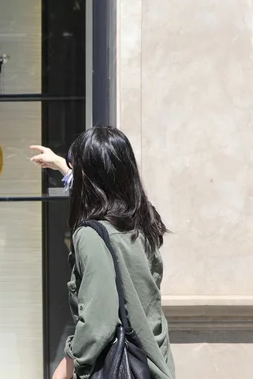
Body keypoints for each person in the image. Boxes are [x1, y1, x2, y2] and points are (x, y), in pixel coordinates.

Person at [30, 126, 176, 379]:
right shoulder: (143, 218)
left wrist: (64, 369)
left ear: (89, 176)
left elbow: (99, 322)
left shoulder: (91, 235)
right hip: (155, 365)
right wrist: (62, 168)